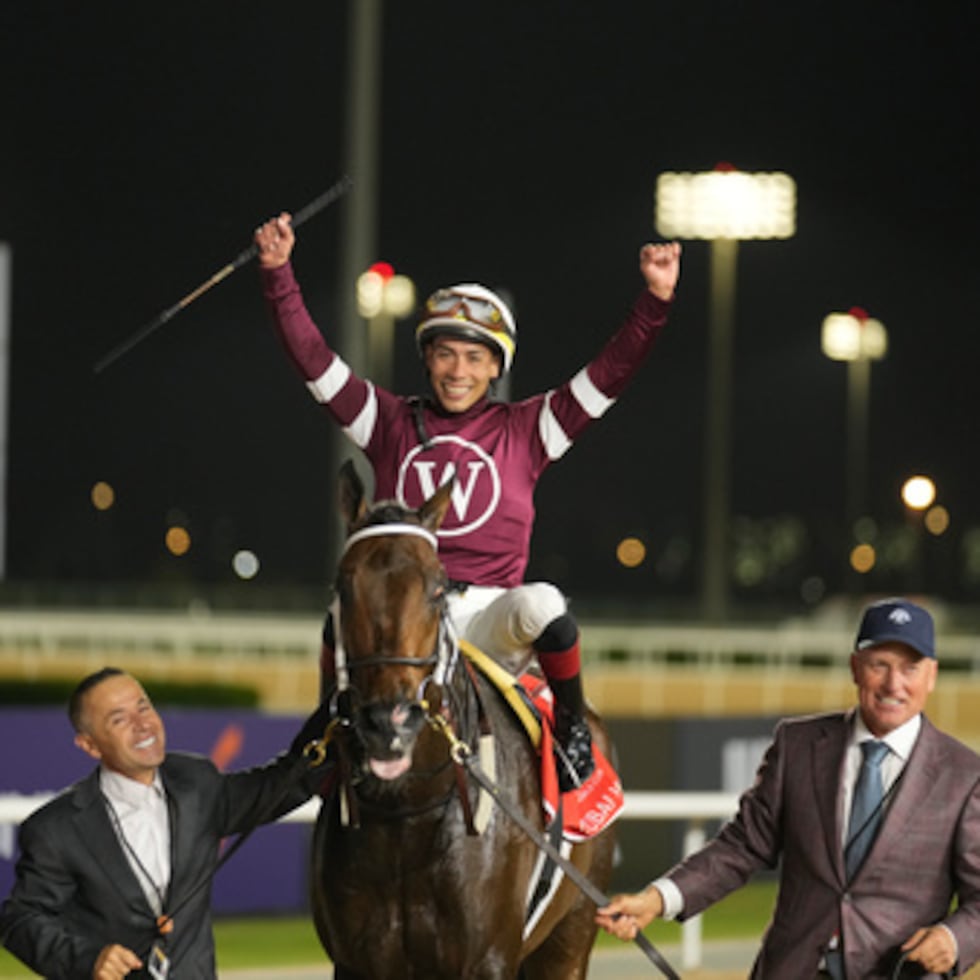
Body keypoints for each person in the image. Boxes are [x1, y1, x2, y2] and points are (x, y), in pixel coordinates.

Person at [254, 212, 681, 791]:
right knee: (340, 609)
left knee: (545, 604)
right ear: (427, 357)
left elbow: (608, 376)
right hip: (408, 615)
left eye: (476, 358)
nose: (459, 371)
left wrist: (654, 300)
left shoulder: (530, 429)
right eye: (446, 354)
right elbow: (314, 363)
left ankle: (573, 729)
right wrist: (279, 274)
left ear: (496, 367)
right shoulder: (389, 422)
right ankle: (328, 725)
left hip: (487, 619)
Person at [596, 597, 980, 978]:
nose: (893, 683)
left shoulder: (966, 776)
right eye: (879, 664)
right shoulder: (797, 746)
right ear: (855, 668)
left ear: (932, 676)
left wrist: (954, 937)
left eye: (909, 668)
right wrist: (657, 899)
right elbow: (742, 847)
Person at [0, 667, 332, 979]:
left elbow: (282, 783)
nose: (142, 724)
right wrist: (88, 959)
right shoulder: (55, 829)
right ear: (89, 745)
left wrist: (337, 710)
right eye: (119, 719)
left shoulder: (197, 782)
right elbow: (20, 920)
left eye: (143, 708)